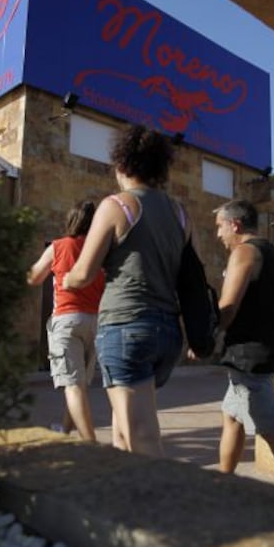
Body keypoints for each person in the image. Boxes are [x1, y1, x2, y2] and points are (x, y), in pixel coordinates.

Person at [62, 125, 190, 456]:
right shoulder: (179, 213)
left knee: (141, 434)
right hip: (167, 331)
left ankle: (159, 491)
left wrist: (66, 279)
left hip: (126, 327)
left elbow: (83, 273)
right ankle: (128, 486)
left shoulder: (117, 205)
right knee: (123, 429)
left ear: (122, 164)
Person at [214, 199, 274, 490]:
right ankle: (222, 484)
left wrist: (204, 335)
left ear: (235, 225)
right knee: (232, 417)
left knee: (272, 429)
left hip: (249, 358)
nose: (218, 234)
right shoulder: (271, 252)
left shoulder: (244, 252)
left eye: (220, 226)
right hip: (263, 351)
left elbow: (228, 307)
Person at [27, 200, 105, 442]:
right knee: (79, 385)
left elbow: (34, 278)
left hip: (66, 320)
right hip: (95, 322)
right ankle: (65, 430)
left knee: (73, 386)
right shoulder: (102, 251)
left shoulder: (59, 246)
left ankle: (90, 443)